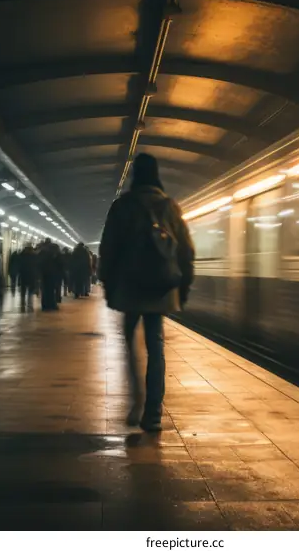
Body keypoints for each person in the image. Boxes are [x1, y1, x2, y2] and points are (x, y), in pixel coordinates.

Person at [99, 153, 195, 432]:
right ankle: (153, 411)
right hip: (161, 287)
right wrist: (183, 288)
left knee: (130, 343)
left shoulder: (122, 206)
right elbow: (186, 251)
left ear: (134, 177)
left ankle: (137, 400)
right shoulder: (170, 207)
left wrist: (108, 285)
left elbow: (109, 249)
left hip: (130, 287)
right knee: (156, 346)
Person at [18, 244, 38, 311]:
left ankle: (22, 304)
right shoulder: (34, 256)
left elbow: (19, 265)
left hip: (23, 275)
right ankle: (30, 305)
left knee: (23, 291)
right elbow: (36, 266)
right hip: (32, 275)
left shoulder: (21, 255)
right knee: (30, 291)